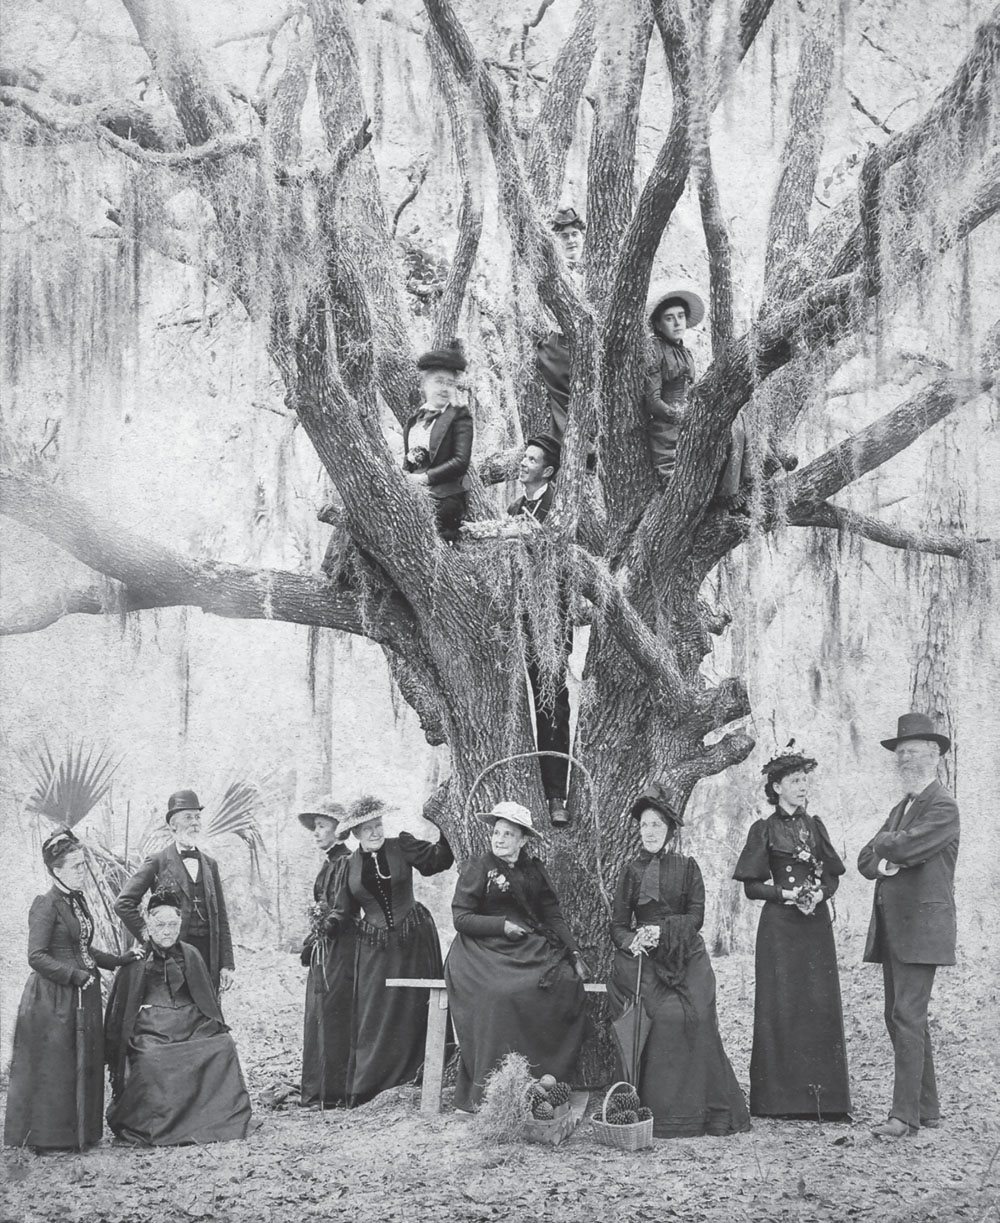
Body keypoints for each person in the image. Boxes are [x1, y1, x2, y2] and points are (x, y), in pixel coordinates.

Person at [608, 784, 750, 1138]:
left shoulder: (687, 867)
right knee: (654, 1016)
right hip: (646, 961)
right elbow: (618, 925)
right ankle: (649, 1109)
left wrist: (665, 931)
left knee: (696, 1015)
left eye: (656, 824)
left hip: (685, 954)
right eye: (644, 825)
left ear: (669, 830)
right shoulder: (630, 871)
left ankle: (701, 1113)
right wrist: (634, 939)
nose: (650, 831)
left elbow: (697, 915)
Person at [444, 801, 589, 1111]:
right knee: (501, 995)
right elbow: (461, 918)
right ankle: (494, 1090)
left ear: (523, 840)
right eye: (496, 832)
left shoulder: (534, 870)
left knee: (562, 983)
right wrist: (500, 925)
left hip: (526, 947)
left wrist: (574, 952)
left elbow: (552, 915)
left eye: (508, 834)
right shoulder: (477, 867)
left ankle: (544, 1083)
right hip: (480, 950)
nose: (499, 840)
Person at [4, 828, 141, 1151]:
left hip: (85, 994)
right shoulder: (46, 904)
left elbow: (84, 948)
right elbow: (36, 956)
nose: (84, 871)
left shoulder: (76, 900)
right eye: (77, 866)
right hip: (55, 999)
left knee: (85, 1060)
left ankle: (83, 1132)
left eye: (83, 864)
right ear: (57, 870)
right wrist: (73, 976)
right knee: (59, 1064)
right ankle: (52, 1138)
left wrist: (120, 959)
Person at [733, 746, 851, 1119]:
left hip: (814, 927)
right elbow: (752, 887)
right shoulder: (763, 829)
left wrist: (819, 893)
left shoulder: (815, 826)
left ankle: (825, 1103)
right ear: (777, 786)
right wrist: (785, 894)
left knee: (818, 1006)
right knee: (779, 1007)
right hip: (779, 930)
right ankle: (778, 1102)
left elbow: (832, 874)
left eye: (805, 780)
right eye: (795, 781)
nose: (803, 787)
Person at [858, 713, 960, 1138]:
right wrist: (888, 857)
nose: (906, 761)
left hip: (922, 929)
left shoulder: (943, 805)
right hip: (894, 928)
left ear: (935, 756)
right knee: (900, 1016)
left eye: (914, 753)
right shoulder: (902, 807)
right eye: (900, 755)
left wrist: (889, 846)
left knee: (906, 1015)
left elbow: (902, 844)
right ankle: (926, 1108)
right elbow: (867, 859)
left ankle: (904, 1117)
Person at [324, 795, 454, 1105]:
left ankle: (421, 1076)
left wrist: (445, 825)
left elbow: (438, 860)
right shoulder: (348, 865)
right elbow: (343, 911)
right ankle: (371, 1085)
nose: (375, 832)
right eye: (367, 828)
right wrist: (326, 924)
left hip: (414, 939)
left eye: (378, 825)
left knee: (416, 1006)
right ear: (355, 833)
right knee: (375, 1012)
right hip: (374, 948)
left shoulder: (401, 846)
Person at [104, 890, 253, 1146]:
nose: (166, 931)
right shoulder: (137, 959)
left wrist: (211, 1024)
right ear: (148, 925)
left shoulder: (190, 953)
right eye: (160, 925)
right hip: (152, 1027)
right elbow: (122, 1010)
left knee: (222, 1046)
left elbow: (205, 999)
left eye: (172, 925)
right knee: (151, 1057)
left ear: (180, 925)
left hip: (191, 1022)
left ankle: (213, 1121)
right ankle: (159, 1126)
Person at [507, 434, 572, 826]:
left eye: (531, 459)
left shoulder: (559, 508)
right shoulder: (514, 508)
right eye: (523, 457)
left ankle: (555, 795)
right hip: (517, 622)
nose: (523, 463)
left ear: (547, 470)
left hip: (549, 621)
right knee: (515, 704)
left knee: (551, 706)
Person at [115, 789, 234, 994]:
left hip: (208, 957)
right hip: (172, 956)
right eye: (188, 817)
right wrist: (151, 935)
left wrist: (227, 964)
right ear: (172, 825)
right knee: (175, 1017)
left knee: (207, 1017)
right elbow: (123, 903)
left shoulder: (210, 865)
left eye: (197, 817)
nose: (195, 822)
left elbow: (221, 916)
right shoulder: (158, 861)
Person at [643, 283, 750, 503]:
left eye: (681, 316)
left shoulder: (686, 352)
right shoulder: (654, 349)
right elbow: (653, 402)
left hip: (688, 417)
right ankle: (724, 495)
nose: (677, 322)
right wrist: (682, 417)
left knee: (735, 418)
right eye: (669, 318)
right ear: (657, 324)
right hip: (666, 426)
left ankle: (740, 482)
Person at [297, 798, 356, 1108]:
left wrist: (319, 935)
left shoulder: (346, 862)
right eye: (315, 827)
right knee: (318, 1011)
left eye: (322, 826)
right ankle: (317, 1088)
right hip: (325, 947)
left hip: (341, 948)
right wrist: (312, 940)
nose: (316, 833)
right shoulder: (329, 863)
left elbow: (343, 910)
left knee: (333, 1011)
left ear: (338, 830)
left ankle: (333, 1091)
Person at [402, 339, 473, 542]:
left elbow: (460, 462)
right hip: (414, 494)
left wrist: (424, 479)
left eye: (450, 384)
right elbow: (410, 462)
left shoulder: (460, 415)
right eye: (439, 382)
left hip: (446, 498)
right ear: (424, 384)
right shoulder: (413, 420)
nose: (445, 388)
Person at [535, 207, 584, 445]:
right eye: (564, 236)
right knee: (566, 397)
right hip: (560, 342)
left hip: (589, 343)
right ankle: (576, 446)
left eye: (575, 234)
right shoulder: (553, 272)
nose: (571, 240)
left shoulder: (596, 270)